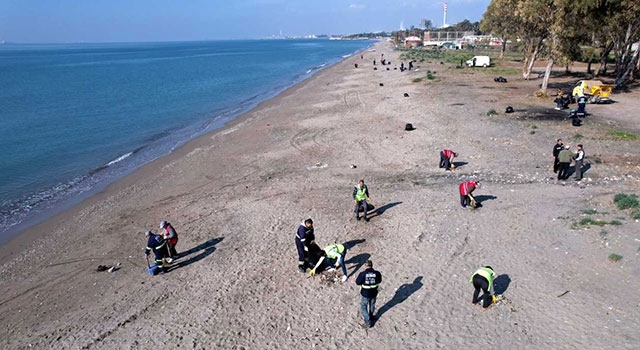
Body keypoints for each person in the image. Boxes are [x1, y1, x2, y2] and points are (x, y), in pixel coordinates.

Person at [355, 260, 382, 328]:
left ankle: (368, 320)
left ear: (365, 265)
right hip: (374, 292)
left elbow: (357, 282)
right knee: (372, 305)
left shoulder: (363, 274)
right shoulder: (377, 273)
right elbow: (379, 280)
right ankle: (371, 316)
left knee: (364, 306)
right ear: (372, 265)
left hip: (365, 293)